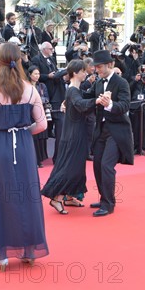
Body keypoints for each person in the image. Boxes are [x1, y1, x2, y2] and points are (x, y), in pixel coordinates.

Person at [0, 42, 49, 270]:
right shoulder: (30, 88)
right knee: (28, 196)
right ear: (19, 61)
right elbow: (42, 124)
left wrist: (1, 126)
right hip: (25, 147)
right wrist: (22, 131)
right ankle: (29, 251)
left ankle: (0, 255)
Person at [41, 60, 100, 214]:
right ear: (75, 72)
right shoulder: (73, 91)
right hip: (74, 134)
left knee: (78, 166)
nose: (85, 73)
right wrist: (97, 101)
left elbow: (81, 104)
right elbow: (81, 105)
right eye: (83, 71)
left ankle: (69, 196)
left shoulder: (75, 90)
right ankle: (57, 197)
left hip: (76, 132)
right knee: (70, 166)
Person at [87, 50, 134, 217]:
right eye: (95, 67)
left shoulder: (121, 83)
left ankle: (108, 204)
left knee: (107, 165)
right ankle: (103, 198)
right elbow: (88, 96)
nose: (97, 69)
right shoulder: (98, 83)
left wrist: (109, 104)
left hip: (117, 131)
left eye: (99, 66)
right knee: (97, 164)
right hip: (100, 130)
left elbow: (125, 105)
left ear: (110, 65)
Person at [26, 65, 50, 167]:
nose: (37, 76)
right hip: (29, 114)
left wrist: (38, 99)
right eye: (35, 74)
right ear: (30, 74)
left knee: (40, 137)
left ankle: (39, 159)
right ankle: (33, 160)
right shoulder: (26, 86)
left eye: (38, 74)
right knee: (33, 137)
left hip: (40, 112)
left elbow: (46, 98)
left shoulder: (42, 86)